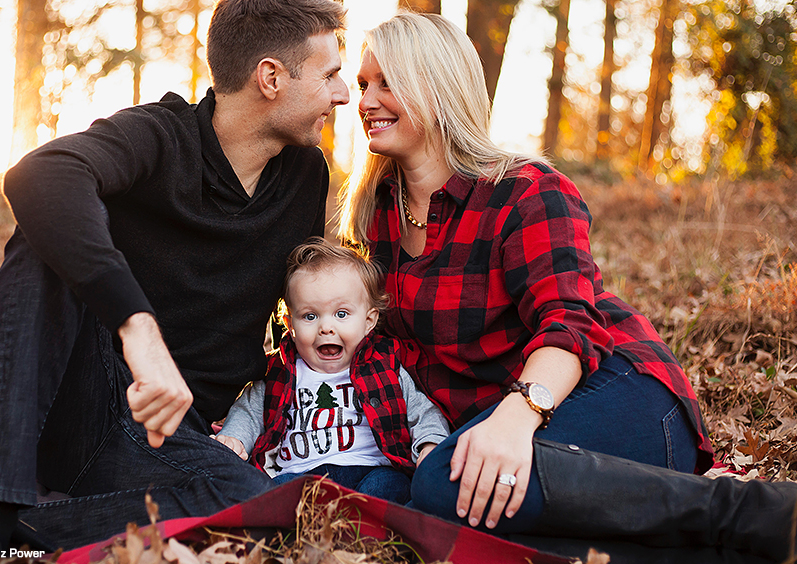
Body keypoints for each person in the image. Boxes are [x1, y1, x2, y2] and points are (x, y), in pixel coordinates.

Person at [338, 12, 796, 562]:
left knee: (440, 487)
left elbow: (570, 325)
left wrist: (517, 415)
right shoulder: (375, 216)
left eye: (385, 83)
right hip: (505, 437)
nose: (366, 100)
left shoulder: (523, 191)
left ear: (435, 86)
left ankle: (749, 510)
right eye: (364, 85)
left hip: (611, 393)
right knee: (428, 510)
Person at [0, 0, 350, 557]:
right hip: (83, 403)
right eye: (330, 75)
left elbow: (297, 323)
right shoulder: (160, 136)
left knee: (257, 505)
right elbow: (40, 174)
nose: (344, 94)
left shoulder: (306, 175)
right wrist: (139, 330)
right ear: (271, 77)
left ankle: (19, 521)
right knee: (43, 237)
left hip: (172, 439)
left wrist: (251, 422)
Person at [213, 238, 450, 504]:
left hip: (369, 470)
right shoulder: (280, 370)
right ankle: (307, 533)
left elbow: (423, 412)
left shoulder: (385, 365)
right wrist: (233, 439)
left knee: (392, 484)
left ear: (369, 321)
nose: (326, 328)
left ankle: (356, 529)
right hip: (300, 476)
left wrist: (430, 446)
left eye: (341, 314)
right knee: (271, 494)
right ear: (289, 324)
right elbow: (249, 412)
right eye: (310, 316)